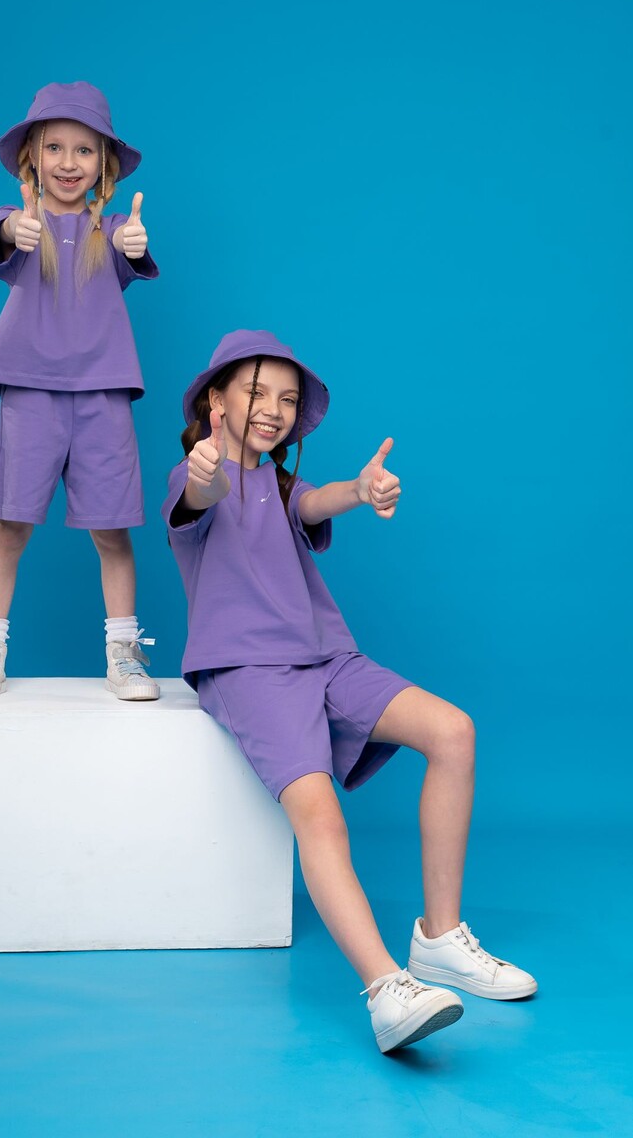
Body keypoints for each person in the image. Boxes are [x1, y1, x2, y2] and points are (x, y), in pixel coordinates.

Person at [162, 329, 537, 1054]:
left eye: (288, 399)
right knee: (321, 817)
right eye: (257, 392)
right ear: (216, 401)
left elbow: (316, 501)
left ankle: (439, 939)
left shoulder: (281, 486)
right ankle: (386, 988)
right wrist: (206, 469)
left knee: (453, 731)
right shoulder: (193, 475)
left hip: (327, 659)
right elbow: (199, 495)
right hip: (249, 673)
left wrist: (361, 492)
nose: (274, 409)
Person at [0, 82, 160, 704]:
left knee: (112, 531)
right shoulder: (18, 221)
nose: (69, 163)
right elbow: (5, 237)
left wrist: (133, 243)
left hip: (103, 395)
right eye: (54, 148)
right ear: (32, 158)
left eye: (84, 150)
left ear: (105, 164)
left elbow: (130, 250)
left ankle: (124, 655)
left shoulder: (115, 230)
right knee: (10, 524)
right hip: (31, 394)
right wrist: (15, 228)